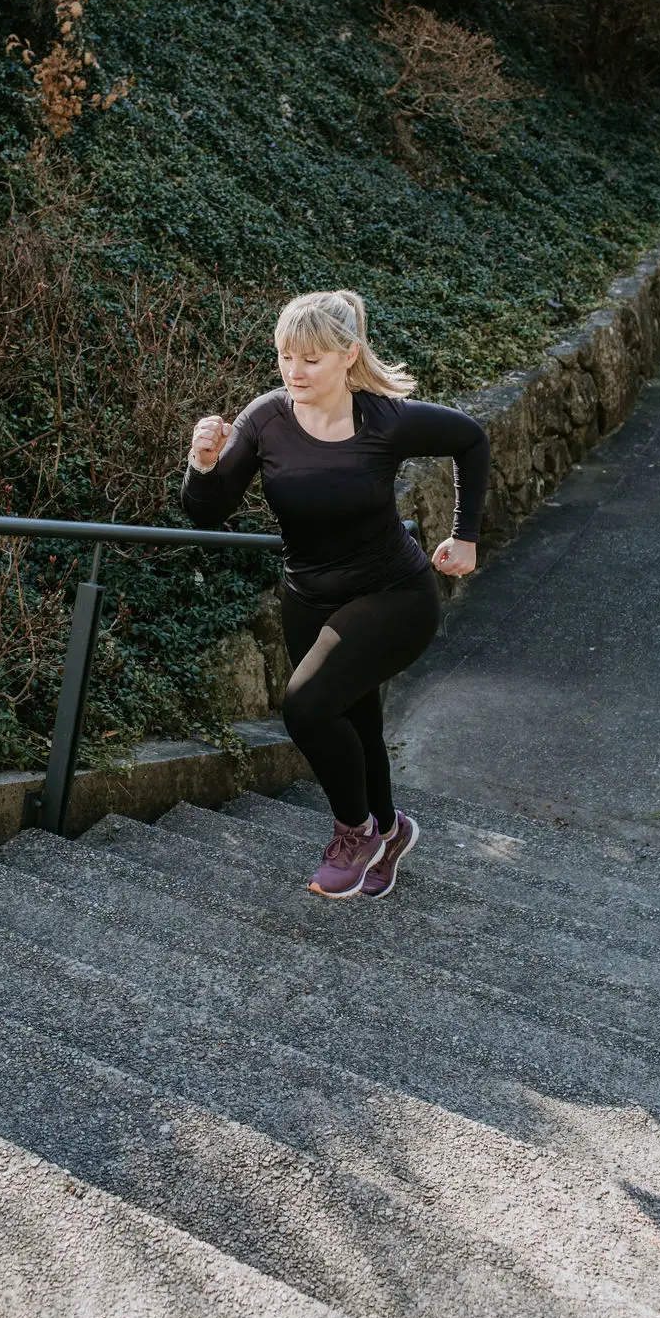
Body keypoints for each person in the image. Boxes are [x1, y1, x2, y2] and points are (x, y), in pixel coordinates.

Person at [181, 288, 490, 901]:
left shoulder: (384, 420)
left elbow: (471, 439)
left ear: (349, 355)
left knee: (305, 707)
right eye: (285, 357)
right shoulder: (266, 418)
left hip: (394, 596)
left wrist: (466, 536)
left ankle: (354, 831)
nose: (295, 373)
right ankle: (391, 828)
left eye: (311, 360)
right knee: (357, 721)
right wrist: (203, 462)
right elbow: (206, 514)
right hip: (310, 599)